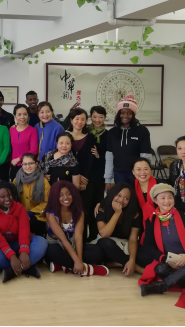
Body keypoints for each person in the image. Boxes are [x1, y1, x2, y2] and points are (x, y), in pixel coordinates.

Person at [139, 184, 185, 308]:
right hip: (170, 263)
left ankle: (162, 286)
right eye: (162, 198)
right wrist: (166, 260)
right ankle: (184, 280)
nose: (167, 201)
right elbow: (148, 246)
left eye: (170, 197)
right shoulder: (151, 221)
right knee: (160, 269)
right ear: (155, 200)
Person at [0, 181, 48, 282]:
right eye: (2, 197)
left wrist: (24, 251)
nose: (7, 199)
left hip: (17, 242)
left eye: (9, 195)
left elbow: (24, 230)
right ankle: (25, 267)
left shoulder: (19, 208)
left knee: (42, 242)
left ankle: (11, 269)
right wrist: (11, 255)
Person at [44, 181, 108, 277]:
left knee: (97, 252)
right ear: (54, 197)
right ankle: (88, 269)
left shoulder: (79, 213)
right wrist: (77, 261)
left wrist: (79, 260)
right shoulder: (50, 214)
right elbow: (63, 240)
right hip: (56, 244)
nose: (65, 197)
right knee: (51, 252)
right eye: (60, 195)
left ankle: (63, 266)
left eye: (68, 194)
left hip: (72, 244)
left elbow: (78, 237)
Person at [94, 183, 150, 276]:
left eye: (126, 198)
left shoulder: (134, 214)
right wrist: (117, 213)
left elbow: (133, 239)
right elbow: (104, 234)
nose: (121, 200)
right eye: (118, 195)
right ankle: (136, 268)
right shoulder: (102, 208)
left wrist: (132, 260)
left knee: (146, 256)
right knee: (103, 244)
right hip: (108, 244)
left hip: (125, 245)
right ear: (113, 194)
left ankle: (116, 263)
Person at [105, 94, 152, 187]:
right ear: (118, 114)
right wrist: (108, 179)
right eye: (122, 112)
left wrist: (145, 174)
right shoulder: (112, 132)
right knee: (122, 195)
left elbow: (146, 155)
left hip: (137, 173)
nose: (125, 116)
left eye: (129, 113)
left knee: (137, 196)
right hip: (119, 173)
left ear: (133, 114)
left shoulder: (142, 131)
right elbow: (109, 157)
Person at [67, 108, 97, 240]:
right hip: (68, 179)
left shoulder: (90, 137)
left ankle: (82, 240)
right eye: (77, 119)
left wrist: (84, 178)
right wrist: (76, 177)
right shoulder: (65, 136)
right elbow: (63, 158)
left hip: (87, 179)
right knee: (69, 209)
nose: (80, 122)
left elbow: (91, 160)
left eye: (83, 119)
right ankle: (69, 238)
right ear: (71, 120)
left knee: (84, 209)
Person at [14, 153, 51, 237]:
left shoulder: (44, 181)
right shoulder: (16, 181)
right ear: (21, 165)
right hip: (19, 215)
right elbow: (13, 201)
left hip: (38, 216)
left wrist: (30, 213)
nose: (28, 166)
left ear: (36, 164)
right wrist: (22, 213)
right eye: (25, 164)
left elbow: (47, 202)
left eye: (31, 163)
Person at [87, 105, 108, 240]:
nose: (97, 120)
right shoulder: (86, 132)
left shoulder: (108, 135)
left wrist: (99, 156)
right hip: (86, 174)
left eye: (101, 117)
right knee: (87, 204)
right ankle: (87, 233)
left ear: (105, 118)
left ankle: (96, 233)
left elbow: (111, 156)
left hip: (100, 174)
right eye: (94, 117)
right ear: (91, 117)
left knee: (97, 204)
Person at [9, 104, 38, 181]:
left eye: (25, 114)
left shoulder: (33, 130)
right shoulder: (11, 130)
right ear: (15, 116)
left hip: (28, 165)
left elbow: (34, 150)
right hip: (14, 166)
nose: (22, 117)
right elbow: (10, 149)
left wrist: (19, 159)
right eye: (19, 114)